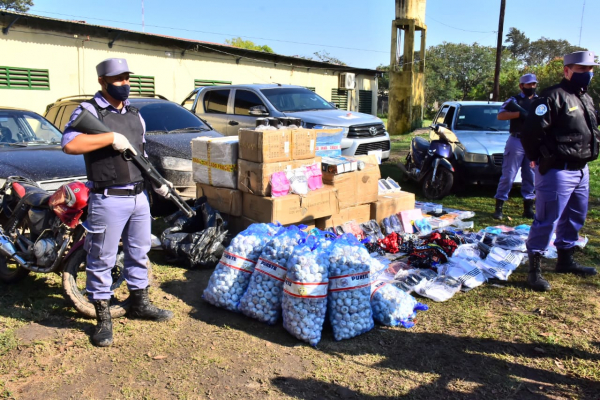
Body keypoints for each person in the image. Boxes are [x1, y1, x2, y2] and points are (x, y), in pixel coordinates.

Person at [62, 58, 174, 346]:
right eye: (117, 79)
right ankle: (103, 318)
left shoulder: (136, 115)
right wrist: (109, 137)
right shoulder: (89, 111)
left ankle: (139, 303)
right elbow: (70, 144)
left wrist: (158, 182)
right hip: (108, 198)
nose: (124, 84)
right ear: (102, 81)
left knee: (139, 251)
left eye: (126, 78)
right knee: (101, 257)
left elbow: (142, 156)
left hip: (139, 197)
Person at [521, 51, 599, 292]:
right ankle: (534, 269)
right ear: (567, 71)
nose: (587, 74)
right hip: (557, 170)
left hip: (581, 169)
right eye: (581, 69)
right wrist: (535, 157)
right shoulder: (551, 97)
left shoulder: (585, 98)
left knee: (575, 216)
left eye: (590, 69)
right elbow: (531, 132)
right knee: (547, 219)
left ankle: (565, 260)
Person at [492, 73, 537, 220]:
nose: (532, 87)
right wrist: (519, 114)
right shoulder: (514, 100)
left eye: (534, 84)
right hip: (516, 139)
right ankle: (499, 207)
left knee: (530, 175)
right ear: (521, 86)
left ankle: (528, 208)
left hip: (532, 141)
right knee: (509, 175)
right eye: (529, 84)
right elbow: (500, 115)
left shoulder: (540, 101)